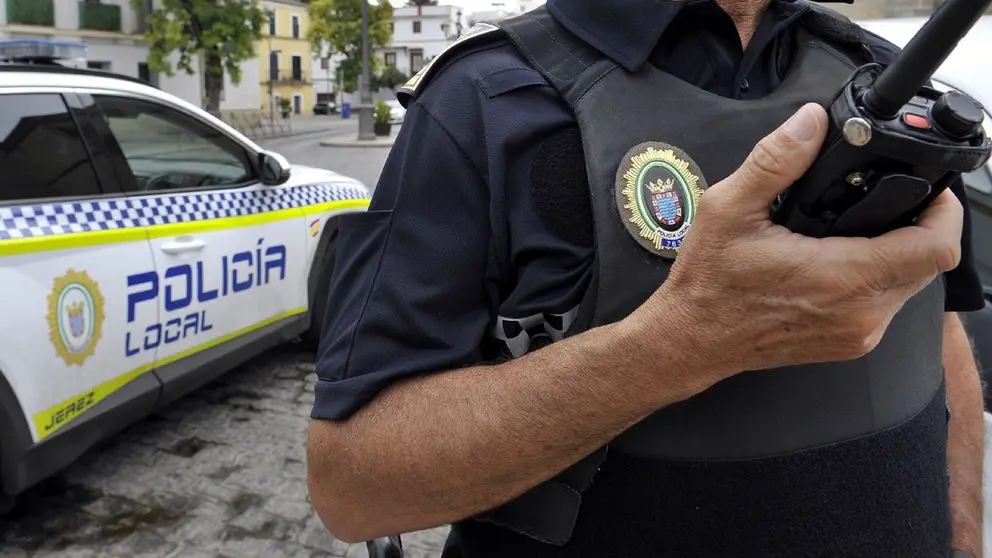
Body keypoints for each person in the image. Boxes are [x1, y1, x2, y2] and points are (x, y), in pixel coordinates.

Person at [306, 0, 987, 556]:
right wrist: (687, 341)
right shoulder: (482, 101)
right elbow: (352, 485)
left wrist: (960, 530)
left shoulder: (882, 77)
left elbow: (936, 323)